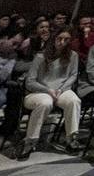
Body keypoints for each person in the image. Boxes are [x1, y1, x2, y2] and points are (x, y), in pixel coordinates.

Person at [19, 26, 82, 158]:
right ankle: (31, 141)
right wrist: (48, 90)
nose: (62, 42)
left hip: (61, 90)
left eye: (66, 39)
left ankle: (71, 138)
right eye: (60, 38)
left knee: (74, 100)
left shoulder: (73, 56)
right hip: (38, 91)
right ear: (54, 38)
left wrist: (61, 89)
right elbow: (30, 81)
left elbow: (73, 75)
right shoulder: (41, 57)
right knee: (45, 103)